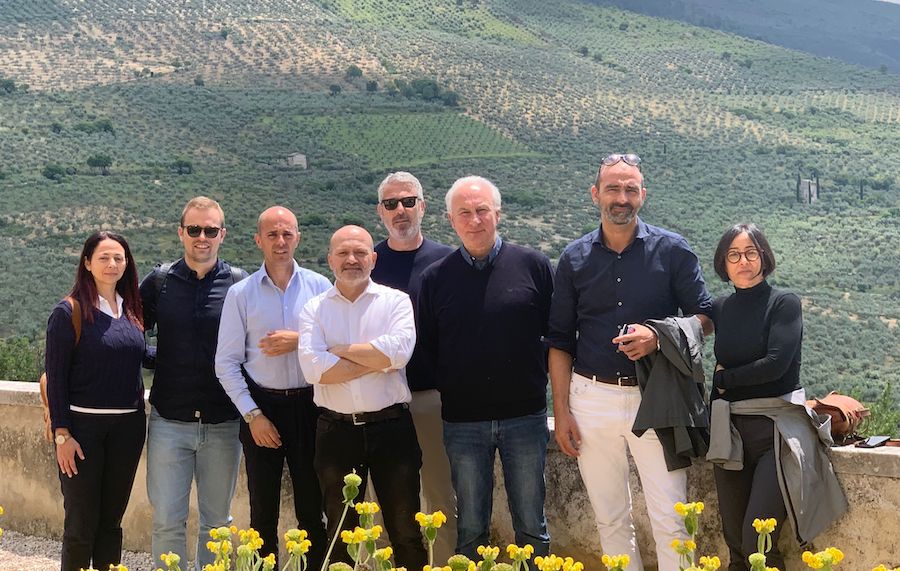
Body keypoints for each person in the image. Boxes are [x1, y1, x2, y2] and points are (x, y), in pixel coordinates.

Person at [547, 153, 712, 571]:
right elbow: (560, 341)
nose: (621, 198)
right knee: (610, 519)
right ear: (595, 194)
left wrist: (658, 335)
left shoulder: (673, 250)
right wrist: (562, 412)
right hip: (591, 399)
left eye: (630, 189)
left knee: (673, 518)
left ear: (643, 195)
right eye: (613, 189)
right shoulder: (574, 258)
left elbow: (706, 316)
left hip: (657, 396)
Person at [417, 176, 554, 560]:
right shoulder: (435, 279)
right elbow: (428, 346)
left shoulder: (534, 265)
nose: (474, 220)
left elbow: (556, 336)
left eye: (482, 210)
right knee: (471, 527)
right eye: (464, 212)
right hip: (463, 422)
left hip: (525, 417)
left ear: (498, 213)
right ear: (451, 220)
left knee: (532, 523)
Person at [708, 223, 845, 570]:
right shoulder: (721, 308)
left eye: (750, 253)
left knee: (759, 540)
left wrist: (725, 378)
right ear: (723, 263)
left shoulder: (784, 303)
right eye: (734, 255)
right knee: (735, 543)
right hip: (730, 431)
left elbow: (776, 365)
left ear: (764, 257)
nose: (743, 261)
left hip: (775, 431)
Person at [299, 225, 427, 570]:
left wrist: (338, 350)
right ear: (330, 260)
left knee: (406, 530)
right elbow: (314, 370)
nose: (351, 259)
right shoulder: (313, 309)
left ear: (373, 258)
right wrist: (375, 359)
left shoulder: (396, 301)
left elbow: (398, 354)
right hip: (336, 433)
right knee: (341, 535)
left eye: (359, 253)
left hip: (392, 428)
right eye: (343, 253)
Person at [215, 206, 329, 567]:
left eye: (287, 234)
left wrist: (300, 340)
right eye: (272, 235)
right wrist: (253, 415)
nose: (280, 241)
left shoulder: (320, 287)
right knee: (262, 512)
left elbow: (334, 344)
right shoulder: (241, 294)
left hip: (311, 406)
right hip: (262, 406)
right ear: (258, 240)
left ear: (298, 238)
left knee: (313, 509)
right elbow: (226, 362)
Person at [140, 196, 247, 570]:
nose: (202, 237)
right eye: (195, 229)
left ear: (223, 235)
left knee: (217, 525)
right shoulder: (159, 282)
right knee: (167, 522)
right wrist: (161, 358)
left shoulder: (239, 285)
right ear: (181, 232)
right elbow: (129, 334)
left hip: (223, 423)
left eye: (210, 230)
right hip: (169, 422)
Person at [45, 231, 148, 571]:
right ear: (87, 263)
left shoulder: (131, 309)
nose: (112, 264)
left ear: (127, 263)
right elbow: (55, 378)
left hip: (128, 429)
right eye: (104, 257)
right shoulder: (68, 312)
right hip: (82, 430)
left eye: (119, 257)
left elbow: (138, 355)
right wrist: (62, 435)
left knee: (111, 523)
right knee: (80, 524)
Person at [370, 171, 456, 561]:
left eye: (408, 202)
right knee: (381, 500)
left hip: (430, 397)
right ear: (381, 212)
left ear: (423, 206)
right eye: (391, 204)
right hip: (380, 399)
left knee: (440, 496)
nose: (400, 210)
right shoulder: (367, 262)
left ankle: (444, 566)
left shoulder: (448, 261)